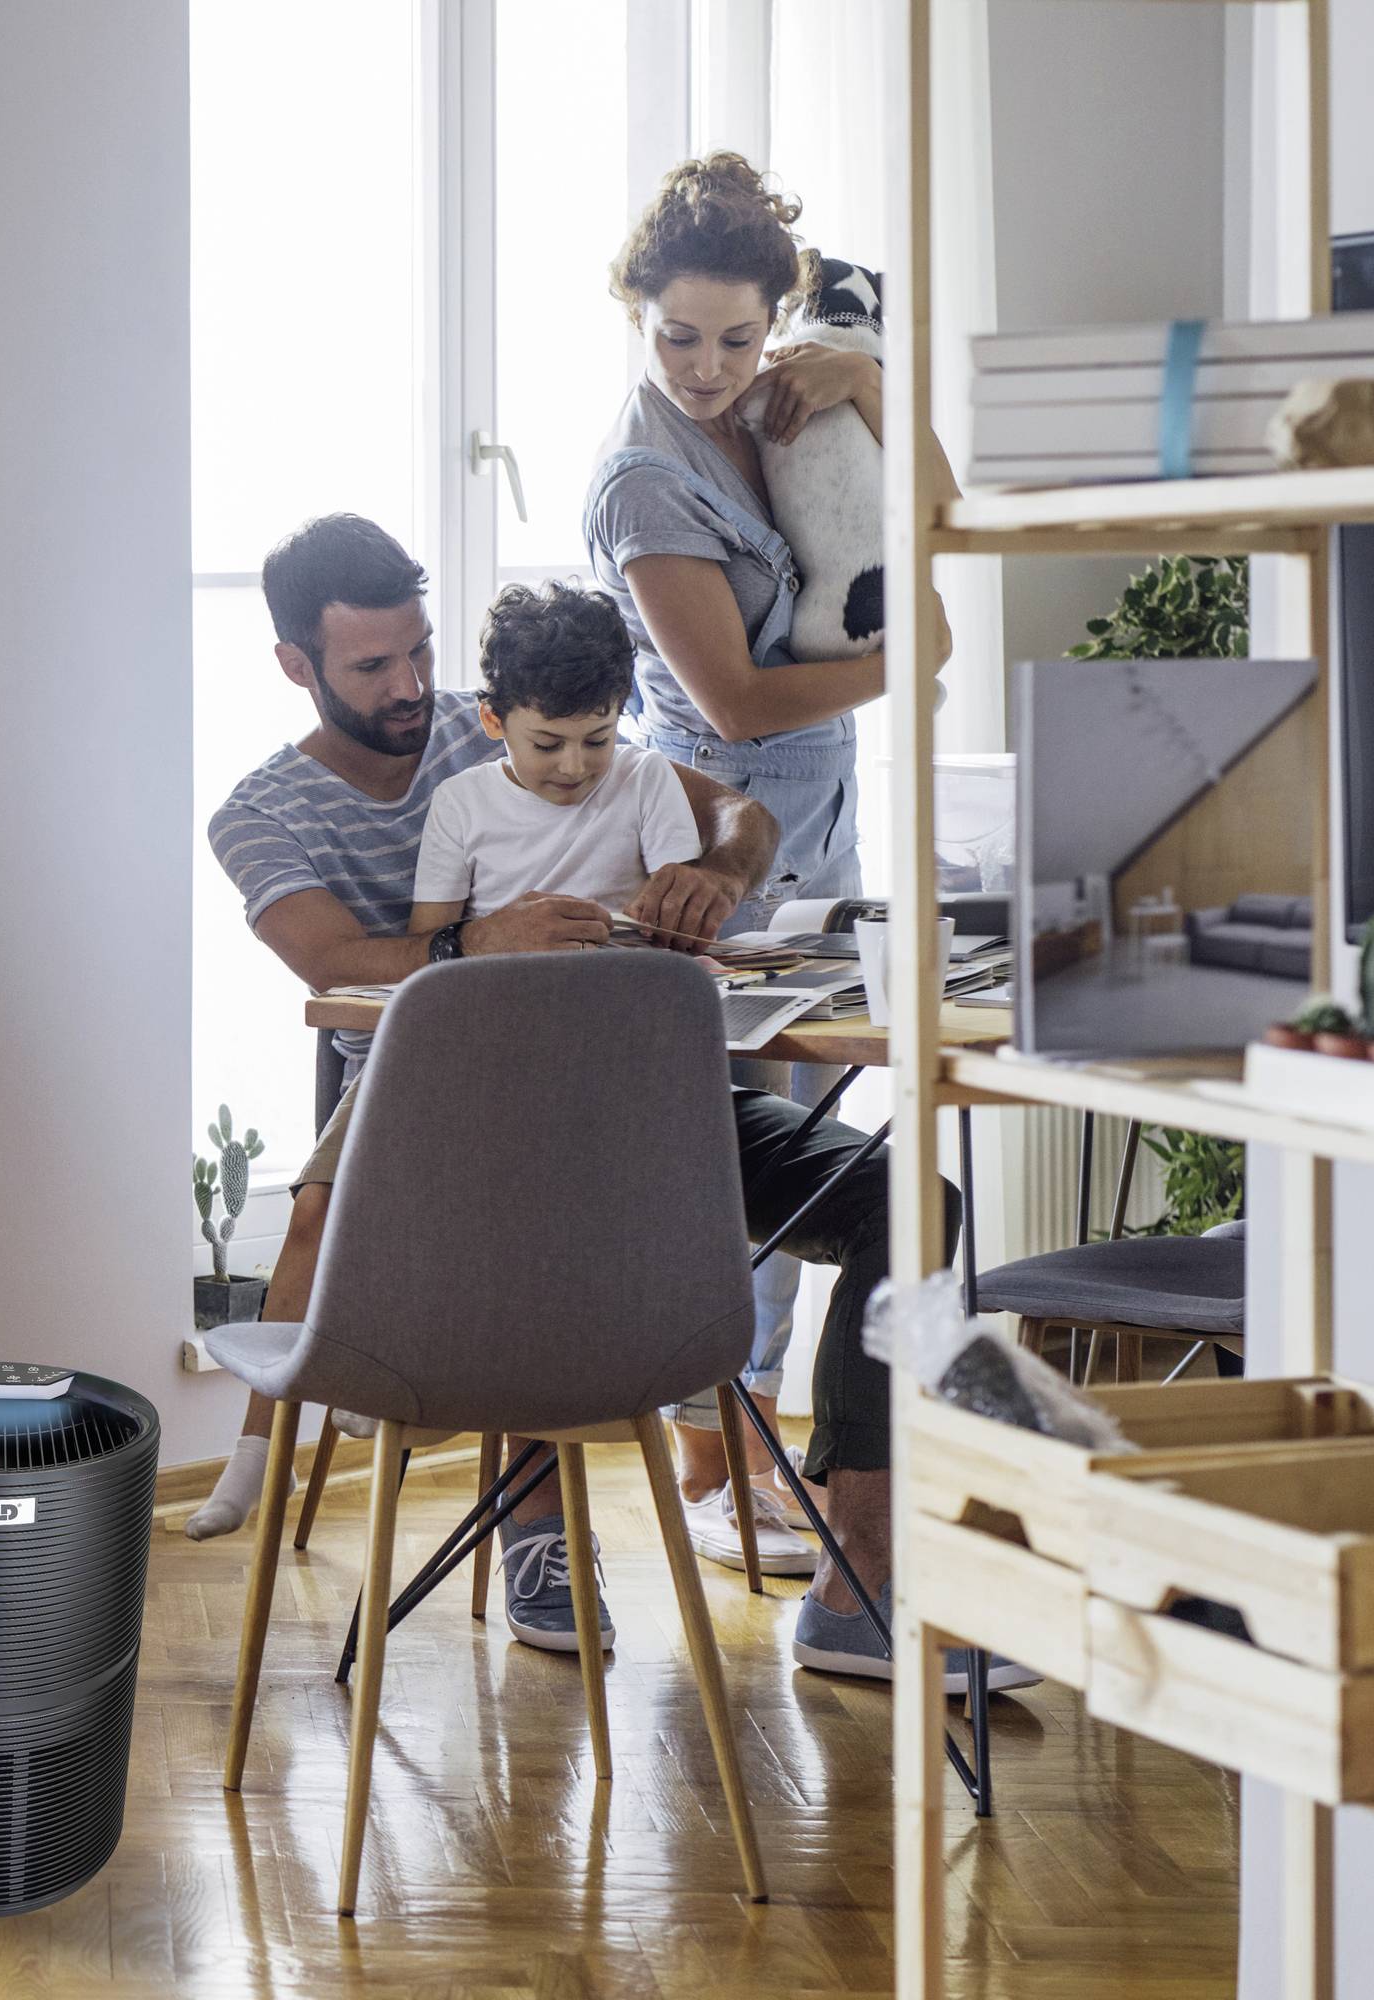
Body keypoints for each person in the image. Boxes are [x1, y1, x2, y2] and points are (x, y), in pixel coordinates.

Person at [201, 512, 1002, 1687]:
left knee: (909, 1203)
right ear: (297, 666)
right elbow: (330, 961)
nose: (413, 684)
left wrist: (707, 875)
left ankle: (862, 1571)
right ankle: (538, 1532)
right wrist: (481, 940)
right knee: (547, 1223)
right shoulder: (263, 812)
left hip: (649, 1099)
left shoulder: (532, 714)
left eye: (419, 650)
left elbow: (741, 815)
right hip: (454, 1128)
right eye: (374, 666)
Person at [581, 152, 959, 1587]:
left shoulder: (789, 400)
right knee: (723, 1169)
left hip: (829, 838)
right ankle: (710, 1452)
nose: (706, 366)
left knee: (815, 1152)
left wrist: (865, 385)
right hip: (712, 845)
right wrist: (892, 667)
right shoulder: (640, 480)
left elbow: (939, 501)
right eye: (679, 335)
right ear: (637, 314)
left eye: (736, 337)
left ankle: (764, 1447)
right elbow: (734, 703)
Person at [403, 582, 702, 947]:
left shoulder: (645, 778)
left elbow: (682, 923)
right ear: (493, 720)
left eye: (597, 740)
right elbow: (427, 942)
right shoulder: (459, 802)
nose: (574, 768)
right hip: (507, 992)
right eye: (547, 745)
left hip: (632, 987)